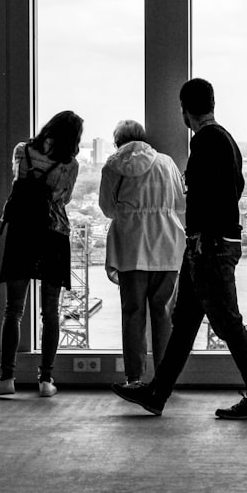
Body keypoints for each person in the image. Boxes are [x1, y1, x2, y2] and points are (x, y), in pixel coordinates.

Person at [111, 78, 247, 419]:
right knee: (184, 322)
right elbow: (234, 188)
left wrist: (200, 238)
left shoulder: (205, 141)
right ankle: (157, 392)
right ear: (211, 104)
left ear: (185, 110)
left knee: (228, 323)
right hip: (211, 244)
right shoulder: (226, 140)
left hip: (208, 247)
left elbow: (204, 196)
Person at [0, 111, 83, 399]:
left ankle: (6, 376)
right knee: (50, 311)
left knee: (14, 309)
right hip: (54, 234)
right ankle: (46, 379)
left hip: (22, 233)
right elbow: (63, 198)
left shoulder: (22, 151)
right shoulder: (70, 164)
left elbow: (18, 183)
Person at [99, 120, 185, 388]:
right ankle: (165, 377)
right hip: (167, 244)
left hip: (131, 246)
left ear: (118, 142)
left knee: (133, 313)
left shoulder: (113, 166)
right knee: (164, 314)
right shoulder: (166, 163)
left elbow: (108, 208)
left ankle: (134, 377)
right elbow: (180, 202)